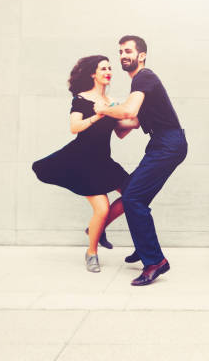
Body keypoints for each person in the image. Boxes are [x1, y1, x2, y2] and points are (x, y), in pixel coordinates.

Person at [94, 35, 187, 286]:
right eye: (120, 52)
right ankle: (141, 246)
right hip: (162, 143)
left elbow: (128, 112)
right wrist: (109, 116)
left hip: (169, 144)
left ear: (141, 55)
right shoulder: (139, 85)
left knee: (133, 197)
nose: (123, 55)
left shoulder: (145, 77)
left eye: (128, 51)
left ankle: (155, 262)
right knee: (132, 194)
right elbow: (127, 126)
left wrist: (103, 109)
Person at [32, 55, 139, 273]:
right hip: (82, 160)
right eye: (103, 68)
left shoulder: (111, 102)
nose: (108, 71)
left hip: (103, 160)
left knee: (134, 194)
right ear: (93, 73)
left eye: (110, 68)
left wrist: (134, 124)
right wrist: (98, 115)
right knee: (102, 208)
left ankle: (95, 230)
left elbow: (118, 133)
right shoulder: (81, 99)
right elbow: (74, 127)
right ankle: (91, 253)